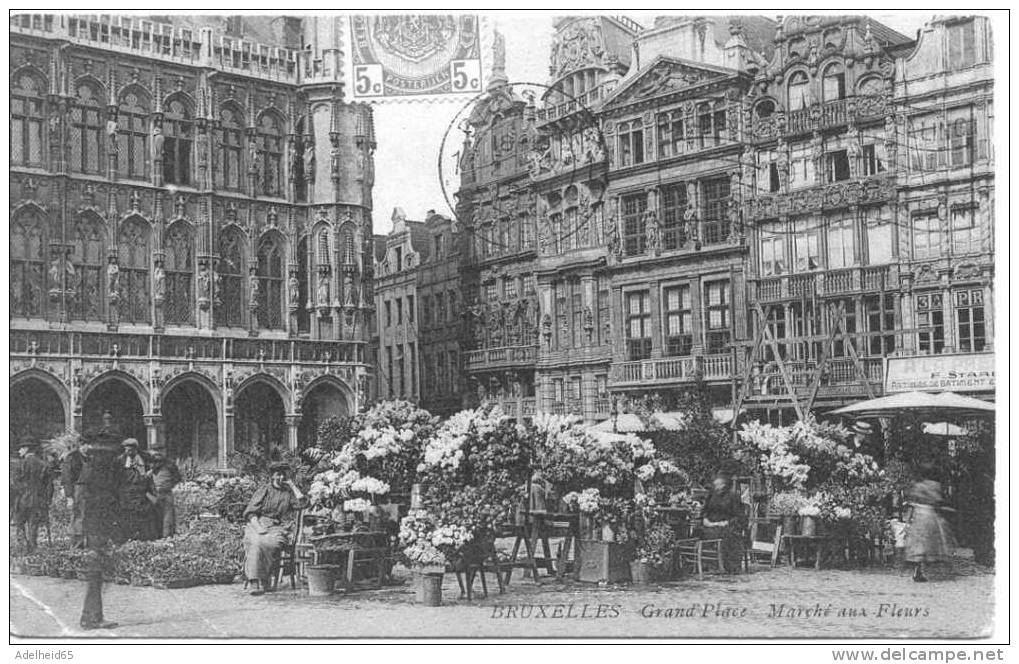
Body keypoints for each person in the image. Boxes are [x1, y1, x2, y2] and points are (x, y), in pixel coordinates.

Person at [241, 464, 307, 595]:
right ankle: (254, 582)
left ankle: (265, 579)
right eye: (278, 474)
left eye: (283, 475)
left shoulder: (288, 493)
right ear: (272, 476)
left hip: (277, 527)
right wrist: (258, 527)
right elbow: (250, 512)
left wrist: (293, 486)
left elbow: (303, 503)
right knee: (255, 542)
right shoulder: (264, 490)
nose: (280, 477)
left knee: (270, 543)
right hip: (257, 523)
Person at [78, 431, 121, 630]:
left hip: (99, 525)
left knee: (97, 572)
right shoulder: (93, 470)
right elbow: (84, 501)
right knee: (95, 572)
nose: (114, 457)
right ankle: (91, 617)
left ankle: (94, 615)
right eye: (111, 453)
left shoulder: (102, 469)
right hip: (96, 525)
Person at [905, 469, 957, 582]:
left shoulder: (917, 486)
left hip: (919, 515)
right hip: (929, 515)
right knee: (934, 543)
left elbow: (911, 503)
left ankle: (919, 570)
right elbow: (937, 501)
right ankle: (923, 570)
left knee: (920, 544)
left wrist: (908, 519)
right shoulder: (934, 486)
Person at [700, 470, 747, 574]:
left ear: (725, 485)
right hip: (710, 524)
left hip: (727, 525)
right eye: (715, 485)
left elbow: (739, 516)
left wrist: (727, 523)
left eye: (719, 485)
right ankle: (707, 565)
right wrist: (705, 519)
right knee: (699, 532)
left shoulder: (733, 497)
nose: (717, 488)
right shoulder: (711, 496)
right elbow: (705, 510)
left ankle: (726, 566)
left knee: (725, 536)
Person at [12, 438, 52, 553]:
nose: (19, 451)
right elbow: (49, 485)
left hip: (23, 499)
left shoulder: (20, 464)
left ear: (26, 449)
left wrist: (19, 494)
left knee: (19, 523)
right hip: (38, 499)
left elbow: (15, 483)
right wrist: (47, 499)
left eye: (21, 448)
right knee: (33, 524)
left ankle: (23, 547)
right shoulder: (43, 464)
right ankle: (33, 547)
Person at [117, 439, 156, 542]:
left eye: (131, 450)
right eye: (127, 450)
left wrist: (150, 486)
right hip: (127, 493)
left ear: (136, 449)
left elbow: (151, 471)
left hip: (141, 492)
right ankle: (128, 538)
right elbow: (117, 477)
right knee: (127, 516)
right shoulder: (121, 460)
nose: (129, 452)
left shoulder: (143, 459)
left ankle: (143, 538)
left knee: (143, 515)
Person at [61, 438, 91, 548]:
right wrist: (69, 496)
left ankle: (85, 542)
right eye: (88, 445)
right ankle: (76, 544)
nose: (90, 448)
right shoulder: (72, 457)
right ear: (82, 445)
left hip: (87, 490)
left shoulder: (88, 458)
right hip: (77, 490)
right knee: (77, 515)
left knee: (85, 515)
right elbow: (66, 478)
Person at [147, 446, 182, 538]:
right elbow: (145, 478)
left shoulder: (169, 464)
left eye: (160, 451)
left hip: (166, 493)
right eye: (155, 451)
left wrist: (168, 485)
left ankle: (166, 537)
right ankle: (156, 536)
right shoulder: (149, 463)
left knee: (168, 516)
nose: (157, 454)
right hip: (154, 493)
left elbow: (177, 477)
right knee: (155, 515)